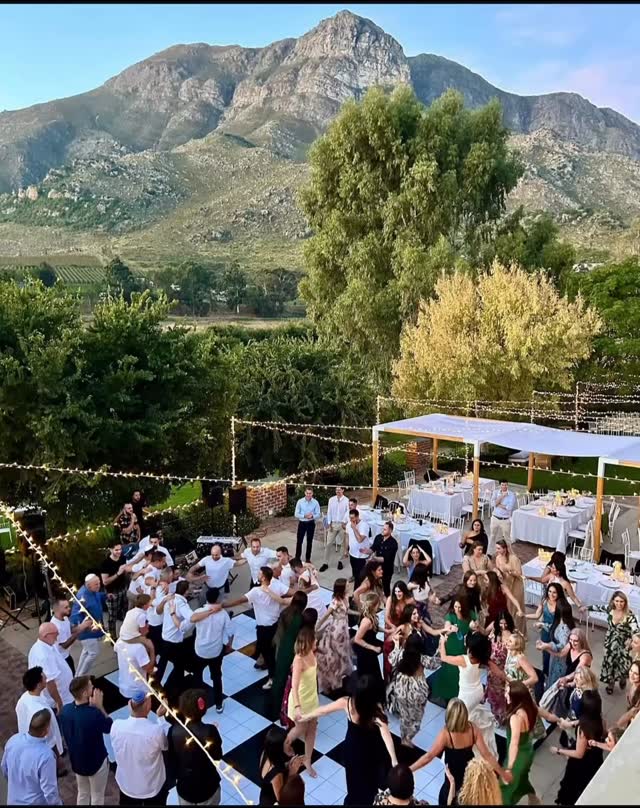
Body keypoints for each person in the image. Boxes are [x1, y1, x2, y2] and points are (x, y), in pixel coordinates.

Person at [299, 674, 398, 805]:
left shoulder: (347, 702)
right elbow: (386, 736)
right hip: (370, 752)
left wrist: (306, 716)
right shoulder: (376, 711)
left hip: (352, 748)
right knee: (369, 782)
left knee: (353, 780)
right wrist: (394, 759)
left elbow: (323, 711)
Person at [410, 698, 507, 806]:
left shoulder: (446, 734)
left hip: (451, 778)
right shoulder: (473, 729)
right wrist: (502, 773)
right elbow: (487, 755)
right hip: (467, 776)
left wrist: (411, 769)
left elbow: (429, 756)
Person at [223, 566, 288, 690]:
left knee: (267, 651)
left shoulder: (256, 591)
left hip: (265, 628)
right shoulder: (277, 586)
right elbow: (291, 593)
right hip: (273, 625)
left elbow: (240, 600)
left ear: (263, 577)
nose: (257, 575)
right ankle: (268, 666)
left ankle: (273, 677)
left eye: (259, 574)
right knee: (267, 649)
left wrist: (222, 605)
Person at [439, 631, 501, 758]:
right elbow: (498, 672)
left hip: (466, 696)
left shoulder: (464, 659)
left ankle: (461, 743)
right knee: (470, 714)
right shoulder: (482, 659)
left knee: (459, 719)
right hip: (478, 691)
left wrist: (442, 642)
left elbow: (443, 657)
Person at [58, 675, 113, 806]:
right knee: (97, 796)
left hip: (77, 762)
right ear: (84, 693)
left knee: (82, 793)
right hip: (96, 763)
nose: (93, 687)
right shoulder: (93, 714)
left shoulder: (65, 711)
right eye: (90, 686)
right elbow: (110, 726)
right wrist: (100, 707)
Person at [110, 690, 170, 805]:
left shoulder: (116, 726)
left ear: (129, 705)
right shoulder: (155, 731)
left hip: (127, 786)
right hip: (151, 787)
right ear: (148, 706)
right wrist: (161, 718)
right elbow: (166, 746)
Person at [168, 688, 224, 806]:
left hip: (185, 787)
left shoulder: (173, 730)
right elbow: (217, 756)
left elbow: (171, 759)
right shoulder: (210, 731)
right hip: (207, 787)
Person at [552, 689, 605, 805]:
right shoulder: (600, 721)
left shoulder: (583, 729)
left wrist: (559, 751)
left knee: (572, 786)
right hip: (595, 758)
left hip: (581, 764)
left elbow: (579, 753)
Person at [1, 709, 60, 805]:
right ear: (46, 730)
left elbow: (4, 768)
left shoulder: (13, 740)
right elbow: (50, 792)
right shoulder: (46, 756)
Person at [190, 586, 233, 713]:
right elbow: (230, 632)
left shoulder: (198, 612)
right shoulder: (224, 614)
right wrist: (229, 645)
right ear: (218, 599)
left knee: (197, 676)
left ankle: (198, 703)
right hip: (215, 651)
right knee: (217, 677)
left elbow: (191, 621)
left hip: (200, 650)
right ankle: (219, 704)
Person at [589, 590, 640, 695]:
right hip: (610, 642)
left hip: (624, 644)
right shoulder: (610, 609)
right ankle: (611, 683)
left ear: (625, 602)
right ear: (613, 601)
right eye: (617, 601)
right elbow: (599, 607)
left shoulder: (630, 616)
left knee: (623, 664)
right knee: (610, 663)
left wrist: (634, 639)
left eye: (621, 601)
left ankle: (622, 678)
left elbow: (635, 630)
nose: (619, 604)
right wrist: (585, 607)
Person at [284, 627, 319, 777]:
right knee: (300, 729)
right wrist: (297, 707)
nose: (316, 641)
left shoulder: (312, 652)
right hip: (301, 702)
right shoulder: (298, 660)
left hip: (312, 699)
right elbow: (294, 685)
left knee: (312, 729)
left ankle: (308, 760)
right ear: (309, 642)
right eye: (314, 639)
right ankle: (286, 743)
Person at [430, 598, 478, 704]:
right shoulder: (450, 616)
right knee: (450, 669)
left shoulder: (470, 614)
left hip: (464, 646)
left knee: (461, 670)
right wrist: (449, 629)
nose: (457, 609)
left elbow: (476, 623)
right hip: (452, 644)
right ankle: (448, 694)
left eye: (460, 607)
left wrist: (474, 626)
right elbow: (446, 627)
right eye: (455, 607)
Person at [386, 633, 431, 747]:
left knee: (405, 716)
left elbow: (391, 659)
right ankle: (408, 738)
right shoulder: (422, 659)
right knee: (416, 717)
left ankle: (404, 738)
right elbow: (436, 662)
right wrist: (442, 646)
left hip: (401, 687)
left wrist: (396, 645)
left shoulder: (401, 654)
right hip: (417, 690)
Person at [500, 680, 539, 805]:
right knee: (522, 779)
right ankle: (534, 799)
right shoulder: (528, 707)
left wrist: (509, 768)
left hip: (518, 757)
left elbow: (514, 743)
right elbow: (545, 714)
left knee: (504, 790)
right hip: (528, 749)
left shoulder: (515, 718)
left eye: (507, 693)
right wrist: (558, 720)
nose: (505, 695)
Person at [272, 590, 308, 721]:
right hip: (292, 649)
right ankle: (286, 706)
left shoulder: (285, 613)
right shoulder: (300, 618)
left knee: (279, 677)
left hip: (282, 648)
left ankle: (275, 705)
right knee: (290, 681)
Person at [15, 667, 63, 760]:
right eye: (44, 678)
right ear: (38, 684)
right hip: (46, 745)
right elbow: (46, 734)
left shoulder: (24, 697)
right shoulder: (40, 711)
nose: (46, 678)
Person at [315, 578, 352, 694]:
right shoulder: (335, 601)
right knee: (336, 653)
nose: (349, 585)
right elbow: (327, 614)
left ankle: (340, 672)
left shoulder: (345, 597)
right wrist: (318, 626)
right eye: (347, 585)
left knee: (342, 652)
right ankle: (333, 678)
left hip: (344, 628)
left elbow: (346, 611)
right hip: (336, 629)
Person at [161, 579, 196, 699]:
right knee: (179, 666)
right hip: (174, 641)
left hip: (165, 637)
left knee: (164, 664)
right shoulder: (181, 604)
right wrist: (183, 627)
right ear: (185, 592)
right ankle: (169, 689)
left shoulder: (170, 599)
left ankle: (161, 687)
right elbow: (191, 618)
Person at [28, 622, 74, 712]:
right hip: (61, 699)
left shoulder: (48, 644)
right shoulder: (43, 655)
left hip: (65, 694)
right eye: (55, 635)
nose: (57, 638)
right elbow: (50, 683)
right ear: (46, 635)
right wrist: (58, 701)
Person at [525, 581, 567, 678]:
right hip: (545, 633)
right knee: (545, 654)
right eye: (549, 591)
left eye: (554, 592)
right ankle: (545, 673)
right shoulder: (544, 601)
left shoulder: (561, 605)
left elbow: (560, 624)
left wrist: (542, 624)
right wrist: (525, 616)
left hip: (556, 633)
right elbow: (537, 615)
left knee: (555, 654)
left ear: (558, 593)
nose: (551, 594)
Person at [71, 574, 108, 676]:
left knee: (87, 651)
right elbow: (75, 614)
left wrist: (105, 596)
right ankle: (81, 675)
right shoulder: (82, 597)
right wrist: (78, 626)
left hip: (92, 629)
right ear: (88, 585)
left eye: (99, 583)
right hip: (87, 632)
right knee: (93, 653)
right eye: (96, 584)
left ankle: (78, 674)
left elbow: (98, 595)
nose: (99, 585)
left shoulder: (93, 591)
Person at [257, 725, 304, 806]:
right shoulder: (276, 775)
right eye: (286, 742)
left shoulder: (267, 753)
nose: (290, 743)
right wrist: (292, 772)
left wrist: (290, 763)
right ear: (279, 748)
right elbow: (282, 800)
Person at [535, 598, 575, 689]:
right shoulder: (560, 622)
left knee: (556, 681)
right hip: (555, 658)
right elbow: (553, 628)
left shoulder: (565, 629)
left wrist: (547, 645)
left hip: (560, 661)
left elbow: (561, 646)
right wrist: (542, 625)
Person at [353, 593, 385, 705]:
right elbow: (357, 639)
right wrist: (373, 648)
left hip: (370, 648)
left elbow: (374, 628)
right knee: (368, 674)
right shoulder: (366, 621)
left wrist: (386, 631)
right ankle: (366, 698)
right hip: (365, 651)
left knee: (374, 673)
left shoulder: (370, 615)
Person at [486, 610, 514, 726]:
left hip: (504, 668)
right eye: (501, 623)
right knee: (492, 693)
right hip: (492, 667)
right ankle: (495, 714)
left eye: (505, 624)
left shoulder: (513, 635)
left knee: (502, 694)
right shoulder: (494, 630)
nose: (503, 626)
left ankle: (502, 716)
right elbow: (485, 635)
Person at [493, 539, 527, 637]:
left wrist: (510, 570)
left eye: (499, 548)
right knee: (508, 608)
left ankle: (521, 633)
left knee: (516, 606)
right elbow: (498, 569)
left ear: (505, 548)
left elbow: (519, 574)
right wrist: (498, 572)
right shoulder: (498, 558)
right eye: (496, 548)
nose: (497, 550)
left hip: (516, 585)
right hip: (506, 583)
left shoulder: (514, 558)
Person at [100, 543, 134, 639]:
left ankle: (126, 634)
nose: (119, 552)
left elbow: (126, 570)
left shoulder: (122, 558)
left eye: (120, 549)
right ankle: (113, 638)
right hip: (112, 592)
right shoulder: (106, 564)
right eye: (116, 550)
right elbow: (105, 582)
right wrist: (118, 573)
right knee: (112, 617)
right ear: (111, 550)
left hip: (123, 588)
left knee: (125, 612)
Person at [384, 581, 416, 679]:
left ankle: (401, 673)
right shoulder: (390, 599)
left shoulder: (409, 601)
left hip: (402, 628)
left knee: (402, 652)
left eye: (400, 591)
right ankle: (388, 674)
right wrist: (393, 627)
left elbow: (414, 611)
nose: (397, 594)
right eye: (396, 591)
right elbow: (386, 617)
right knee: (389, 649)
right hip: (391, 627)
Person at [51, 596, 88, 674]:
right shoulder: (56, 626)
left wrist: (82, 626)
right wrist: (78, 632)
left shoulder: (65, 618)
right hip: (62, 658)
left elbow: (70, 630)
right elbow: (64, 645)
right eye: (66, 607)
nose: (69, 608)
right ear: (58, 609)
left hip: (66, 655)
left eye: (68, 606)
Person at [119, 593, 156, 667]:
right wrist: (147, 627)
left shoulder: (130, 611)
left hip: (123, 634)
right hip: (130, 638)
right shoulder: (141, 616)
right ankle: (151, 664)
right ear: (145, 605)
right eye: (149, 603)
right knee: (150, 644)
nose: (150, 604)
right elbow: (143, 632)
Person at [114, 631, 154, 699]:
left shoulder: (121, 639)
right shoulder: (139, 647)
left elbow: (115, 649)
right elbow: (150, 669)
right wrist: (152, 649)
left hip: (124, 688)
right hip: (139, 691)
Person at [319, 485, 350, 572]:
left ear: (343, 490)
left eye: (339, 490)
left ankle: (340, 561)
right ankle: (325, 563)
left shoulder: (346, 500)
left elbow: (347, 513)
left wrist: (344, 522)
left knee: (343, 544)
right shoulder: (331, 500)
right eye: (336, 490)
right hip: (333, 524)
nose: (338, 492)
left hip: (342, 524)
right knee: (328, 543)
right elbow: (329, 512)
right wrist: (329, 523)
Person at [371, 521, 400, 597]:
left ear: (390, 531)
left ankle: (388, 602)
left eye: (385, 529)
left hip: (387, 569)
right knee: (375, 585)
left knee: (386, 587)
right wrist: (367, 552)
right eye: (382, 529)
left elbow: (385, 559)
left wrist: (374, 558)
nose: (382, 531)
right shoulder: (378, 537)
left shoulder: (393, 543)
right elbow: (373, 548)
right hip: (376, 567)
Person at [489, 480, 516, 556]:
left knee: (507, 538)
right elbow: (492, 504)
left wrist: (498, 504)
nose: (504, 486)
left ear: (508, 485)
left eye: (505, 485)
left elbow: (509, 508)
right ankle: (490, 553)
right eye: (502, 485)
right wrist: (502, 496)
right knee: (492, 536)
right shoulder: (496, 492)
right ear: (500, 485)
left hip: (505, 519)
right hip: (495, 518)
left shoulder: (511, 495)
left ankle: (510, 554)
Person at [294, 487, 321, 563]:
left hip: (311, 523)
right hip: (302, 523)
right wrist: (304, 516)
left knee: (309, 541)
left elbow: (318, 514)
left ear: (312, 493)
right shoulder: (300, 501)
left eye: (310, 493)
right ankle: (297, 558)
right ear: (305, 493)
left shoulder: (315, 502)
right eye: (307, 493)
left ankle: (308, 559)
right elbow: (296, 514)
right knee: (299, 541)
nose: (309, 495)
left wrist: (312, 516)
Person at [347, 507, 372, 583]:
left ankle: (361, 583)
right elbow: (347, 536)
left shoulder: (364, 526)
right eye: (350, 518)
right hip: (352, 552)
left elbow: (360, 540)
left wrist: (354, 529)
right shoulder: (349, 524)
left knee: (361, 573)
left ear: (357, 517)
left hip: (361, 555)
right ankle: (354, 577)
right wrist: (346, 549)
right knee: (354, 568)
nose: (351, 520)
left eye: (353, 518)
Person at [615, 660, 640, 729]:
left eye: (636, 673)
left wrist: (617, 725)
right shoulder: (634, 684)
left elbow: (631, 713)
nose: (631, 675)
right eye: (631, 670)